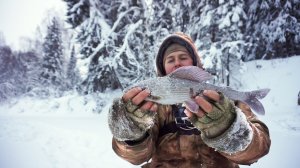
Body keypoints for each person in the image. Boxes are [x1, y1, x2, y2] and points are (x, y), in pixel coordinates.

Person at [108, 32, 271, 168]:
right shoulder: (151, 109)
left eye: (183, 57)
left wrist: (229, 129)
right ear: (162, 67)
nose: (177, 62)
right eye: (170, 59)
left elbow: (259, 148)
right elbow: (135, 157)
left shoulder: (222, 102)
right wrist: (129, 131)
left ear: (195, 63)